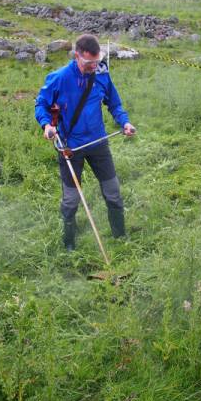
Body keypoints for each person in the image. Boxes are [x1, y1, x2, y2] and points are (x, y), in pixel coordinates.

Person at [35, 34, 136, 251]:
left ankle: (120, 238)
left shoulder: (101, 75)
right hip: (71, 147)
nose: (94, 66)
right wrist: (47, 125)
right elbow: (41, 105)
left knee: (113, 191)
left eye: (97, 61)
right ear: (77, 56)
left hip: (98, 142)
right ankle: (69, 242)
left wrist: (125, 122)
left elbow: (115, 104)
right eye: (89, 63)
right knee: (71, 200)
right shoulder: (59, 78)